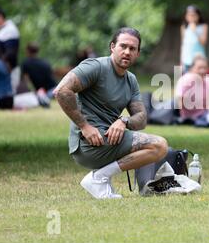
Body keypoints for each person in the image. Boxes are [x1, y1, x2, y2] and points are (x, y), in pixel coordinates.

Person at [54, 27, 168, 199]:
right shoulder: (96, 67)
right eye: (123, 46)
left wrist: (124, 121)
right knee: (159, 145)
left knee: (160, 148)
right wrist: (84, 126)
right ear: (112, 47)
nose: (127, 52)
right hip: (88, 142)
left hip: (109, 139)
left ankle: (101, 179)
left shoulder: (131, 80)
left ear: (138, 53)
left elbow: (142, 118)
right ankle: (99, 178)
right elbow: (62, 91)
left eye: (132, 49)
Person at [180, 5, 208, 73]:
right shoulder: (184, 27)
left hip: (198, 58)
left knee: (198, 79)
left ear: (198, 16)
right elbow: (183, 45)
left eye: (193, 15)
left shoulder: (203, 26)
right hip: (186, 58)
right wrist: (181, 60)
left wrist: (195, 31)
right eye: (189, 15)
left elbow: (203, 42)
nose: (191, 17)